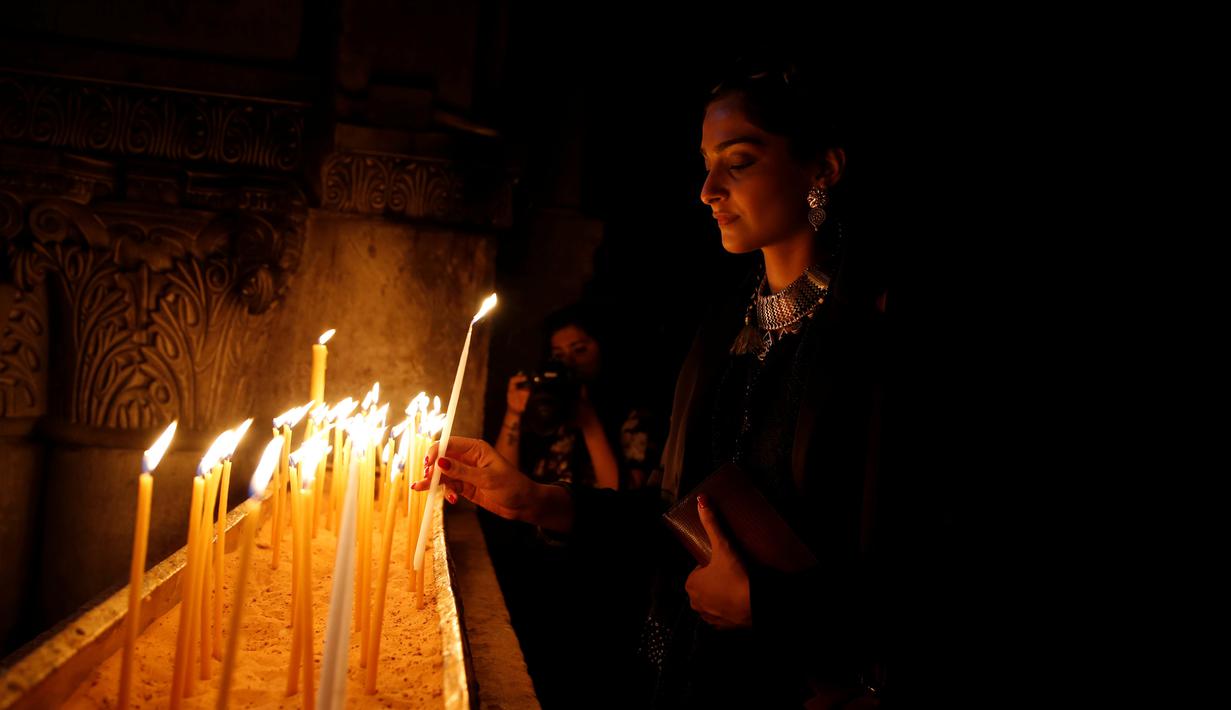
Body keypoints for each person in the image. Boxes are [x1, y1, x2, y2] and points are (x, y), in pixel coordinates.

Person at [420, 56, 890, 708]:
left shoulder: (872, 338)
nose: (708, 190)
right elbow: (675, 515)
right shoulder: (720, 331)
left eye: (739, 161)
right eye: (706, 163)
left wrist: (766, 606)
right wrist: (532, 499)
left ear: (823, 169)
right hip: (695, 679)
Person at [495, 306, 664, 491]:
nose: (568, 362)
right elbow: (501, 482)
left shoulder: (632, 413)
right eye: (558, 355)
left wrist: (589, 423)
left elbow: (622, 497)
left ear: (604, 348)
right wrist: (513, 412)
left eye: (579, 350)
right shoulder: (546, 403)